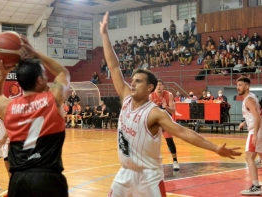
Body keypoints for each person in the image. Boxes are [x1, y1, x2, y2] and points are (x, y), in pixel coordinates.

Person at [100, 12, 241, 197]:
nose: (132, 83)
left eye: (138, 81)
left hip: (148, 177)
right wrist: (104, 35)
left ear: (150, 87)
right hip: (124, 174)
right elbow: (114, 67)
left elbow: (183, 132)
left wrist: (214, 148)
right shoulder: (126, 97)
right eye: (132, 80)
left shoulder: (154, 114)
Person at [0, 35, 70, 197]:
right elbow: (63, 72)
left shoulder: (9, 107)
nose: (48, 79)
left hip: (19, 181)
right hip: (49, 179)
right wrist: (37, 54)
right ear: (40, 80)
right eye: (45, 77)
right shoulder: (53, 99)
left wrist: (2, 73)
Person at [237, 77, 262, 196]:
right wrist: (245, 122)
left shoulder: (248, 100)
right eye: (237, 85)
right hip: (257, 129)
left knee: (249, 157)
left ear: (247, 86)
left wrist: (256, 134)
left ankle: (256, 186)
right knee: (255, 157)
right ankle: (256, 185)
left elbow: (257, 117)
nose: (238, 87)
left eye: (241, 85)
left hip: (256, 130)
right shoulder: (251, 97)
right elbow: (254, 115)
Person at [149, 80, 180, 170]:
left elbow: (173, 111)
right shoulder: (151, 96)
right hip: (155, 121)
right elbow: (147, 112)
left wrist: (166, 107)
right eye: (156, 85)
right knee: (151, 141)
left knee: (169, 141)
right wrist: (153, 107)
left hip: (166, 121)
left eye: (160, 85)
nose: (158, 87)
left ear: (163, 86)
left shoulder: (168, 94)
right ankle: (152, 162)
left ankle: (175, 161)